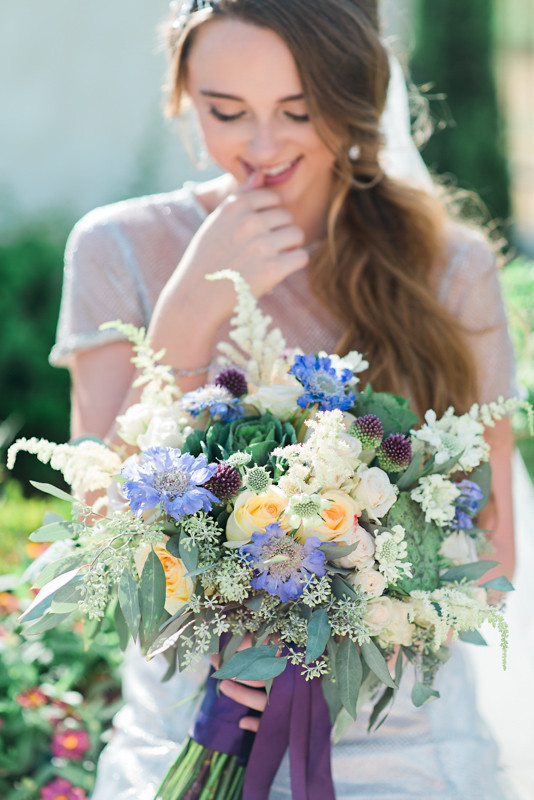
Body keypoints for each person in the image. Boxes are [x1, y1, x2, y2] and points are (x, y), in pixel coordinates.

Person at [50, 1, 517, 797]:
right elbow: (101, 532)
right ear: (182, 94)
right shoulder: (116, 247)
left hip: (397, 741)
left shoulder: (450, 268)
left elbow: (492, 549)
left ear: (358, 98)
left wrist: (338, 641)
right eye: (225, 111)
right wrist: (188, 312)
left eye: (299, 112)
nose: (261, 147)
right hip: (188, 730)